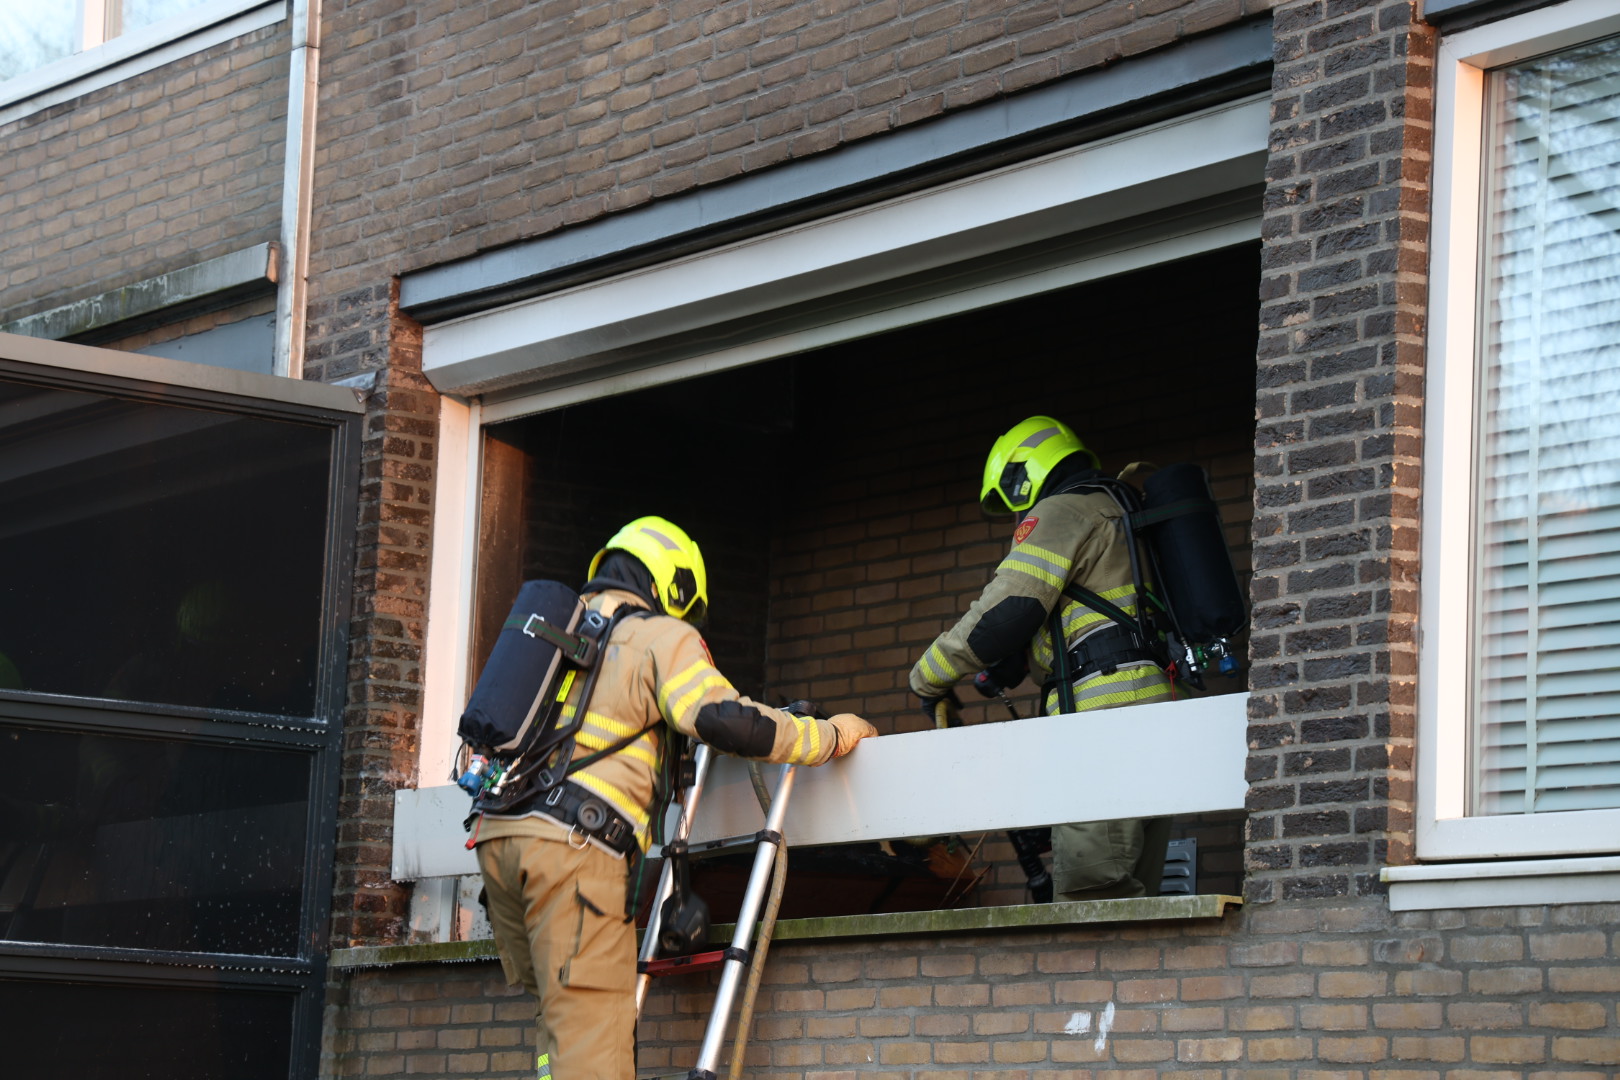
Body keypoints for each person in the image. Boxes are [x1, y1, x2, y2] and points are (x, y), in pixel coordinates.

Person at [470, 516, 877, 1080]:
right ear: (676, 585)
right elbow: (725, 721)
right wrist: (828, 736)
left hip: (500, 843)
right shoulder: (659, 636)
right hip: (572, 855)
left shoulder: (560, 632)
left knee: (560, 1026)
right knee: (596, 1051)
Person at [908, 416, 1172, 902]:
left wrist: (927, 676)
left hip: (1101, 720)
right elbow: (1086, 614)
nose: (1018, 515)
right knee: (1139, 904)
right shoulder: (1119, 507)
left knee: (1092, 895)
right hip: (1157, 711)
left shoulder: (1061, 511)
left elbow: (1006, 611)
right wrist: (1011, 665)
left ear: (1020, 475)